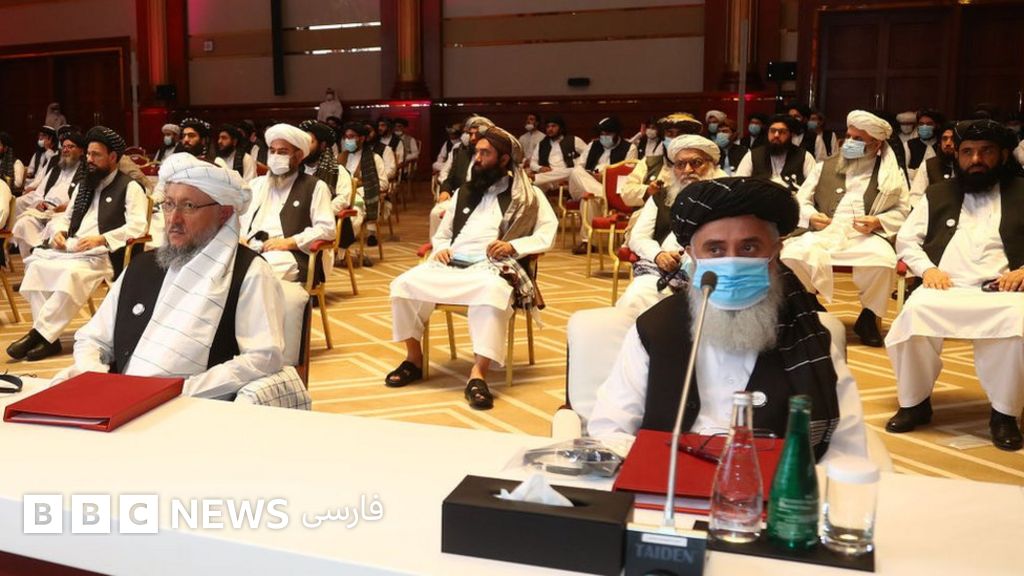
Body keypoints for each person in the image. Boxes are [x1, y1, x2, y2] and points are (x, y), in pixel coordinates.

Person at [588, 177, 867, 462]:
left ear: (776, 251)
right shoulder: (655, 329)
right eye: (715, 250)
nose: (732, 262)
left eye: (749, 248)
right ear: (692, 255)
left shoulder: (809, 337)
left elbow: (846, 448)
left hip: (778, 483)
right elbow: (610, 429)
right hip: (670, 479)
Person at [51, 152, 300, 399]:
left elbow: (263, 358)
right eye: (169, 204)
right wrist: (95, 375)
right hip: (122, 396)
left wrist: (178, 392)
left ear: (223, 213)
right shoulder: (142, 266)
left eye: (189, 206)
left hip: (193, 406)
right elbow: (93, 338)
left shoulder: (249, 271)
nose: (173, 219)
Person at [386, 126, 557, 409]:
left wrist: (513, 246)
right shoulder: (464, 192)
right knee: (402, 285)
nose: (477, 158)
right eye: (477, 152)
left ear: (504, 159)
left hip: (491, 267)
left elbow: (546, 235)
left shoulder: (528, 196)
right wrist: (441, 249)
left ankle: (478, 374)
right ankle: (413, 359)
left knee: (491, 292)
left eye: (485, 153)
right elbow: (442, 234)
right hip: (452, 264)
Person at [885, 119, 1024, 451]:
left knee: (1017, 323)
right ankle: (915, 402)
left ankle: (1004, 413)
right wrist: (927, 270)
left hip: (1002, 290)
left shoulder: (1022, 192)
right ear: (957, 156)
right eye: (968, 152)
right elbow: (907, 239)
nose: (976, 159)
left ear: (1003, 155)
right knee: (913, 314)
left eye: (986, 151)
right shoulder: (938, 193)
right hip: (944, 286)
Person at [7, 126, 148, 361]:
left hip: (103, 253)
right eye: (89, 154)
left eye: (96, 155)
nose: (89, 159)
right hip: (73, 248)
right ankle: (48, 338)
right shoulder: (84, 184)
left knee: (70, 274)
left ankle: (39, 335)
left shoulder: (130, 187)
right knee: (35, 266)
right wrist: (59, 232)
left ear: (113, 157)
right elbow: (67, 217)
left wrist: (102, 238)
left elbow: (138, 226)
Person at [781, 110, 910, 347]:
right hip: (825, 232)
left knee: (883, 261)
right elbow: (800, 200)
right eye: (848, 136)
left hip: (864, 235)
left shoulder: (891, 173)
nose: (849, 143)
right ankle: (810, 306)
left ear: (876, 144)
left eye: (858, 139)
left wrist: (878, 222)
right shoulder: (825, 166)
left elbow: (902, 210)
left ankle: (869, 317)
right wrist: (812, 216)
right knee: (791, 255)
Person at [615, 135, 724, 318]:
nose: (687, 170)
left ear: (711, 164)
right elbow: (638, 237)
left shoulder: (725, 199)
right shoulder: (661, 197)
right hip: (664, 273)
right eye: (680, 164)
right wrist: (658, 255)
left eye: (696, 163)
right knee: (637, 295)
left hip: (710, 275)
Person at [239, 123, 334, 284]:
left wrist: (289, 242)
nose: (275, 156)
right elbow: (239, 220)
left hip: (290, 254)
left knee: (257, 272)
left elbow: (327, 230)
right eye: (272, 151)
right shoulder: (256, 185)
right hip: (250, 248)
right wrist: (240, 238)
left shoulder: (315, 187)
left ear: (298, 156)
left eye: (282, 152)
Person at [566, 116, 638, 254]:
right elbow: (580, 166)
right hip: (587, 183)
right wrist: (592, 176)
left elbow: (627, 174)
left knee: (589, 199)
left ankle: (588, 242)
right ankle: (603, 196)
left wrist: (606, 178)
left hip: (614, 188)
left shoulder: (629, 148)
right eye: (602, 134)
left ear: (616, 133)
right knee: (575, 171)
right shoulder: (593, 145)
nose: (604, 137)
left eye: (608, 134)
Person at [12, 129, 85, 260]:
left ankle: (43, 257)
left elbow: (82, 198)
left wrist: (65, 207)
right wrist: (39, 203)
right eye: (64, 147)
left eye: (71, 147)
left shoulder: (85, 173)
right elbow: (39, 192)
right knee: (23, 223)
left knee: (54, 227)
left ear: (81, 151)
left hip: (63, 213)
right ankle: (30, 262)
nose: (66, 150)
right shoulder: (55, 169)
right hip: (44, 211)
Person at [619, 113, 703, 209]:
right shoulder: (649, 162)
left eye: (680, 134)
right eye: (670, 134)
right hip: (650, 215)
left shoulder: (704, 165)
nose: (674, 138)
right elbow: (626, 192)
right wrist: (648, 190)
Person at [433, 116, 494, 240]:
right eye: (470, 134)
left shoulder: (492, 156)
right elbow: (450, 178)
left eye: (477, 135)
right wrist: (445, 191)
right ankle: (438, 247)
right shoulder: (462, 153)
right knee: (436, 213)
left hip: (484, 200)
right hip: (459, 196)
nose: (472, 138)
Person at [338, 121, 388, 264]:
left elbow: (383, 183)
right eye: (346, 137)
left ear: (362, 138)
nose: (348, 140)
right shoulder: (340, 157)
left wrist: (358, 190)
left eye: (352, 137)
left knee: (351, 217)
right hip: (341, 197)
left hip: (363, 200)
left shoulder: (374, 158)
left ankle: (340, 252)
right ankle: (330, 251)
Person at [734, 114, 816, 192]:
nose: (776, 135)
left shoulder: (804, 156)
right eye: (772, 131)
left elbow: (813, 186)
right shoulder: (753, 155)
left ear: (791, 134)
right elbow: (739, 184)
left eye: (782, 132)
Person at [528, 115, 587, 192]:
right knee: (533, 187)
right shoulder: (542, 144)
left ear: (561, 128)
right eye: (548, 127)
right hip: (549, 180)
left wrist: (578, 164)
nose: (550, 129)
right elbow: (533, 163)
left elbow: (588, 155)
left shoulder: (573, 140)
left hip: (568, 177)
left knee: (573, 171)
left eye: (553, 126)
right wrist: (540, 168)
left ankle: (536, 178)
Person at [908, 122, 957, 207]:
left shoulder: (966, 166)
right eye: (944, 139)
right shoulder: (928, 165)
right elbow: (915, 196)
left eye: (953, 139)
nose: (948, 143)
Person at [905, 110, 944, 180]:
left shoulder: (943, 145)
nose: (924, 127)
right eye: (921, 124)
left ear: (937, 126)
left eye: (929, 124)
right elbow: (903, 171)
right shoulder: (909, 145)